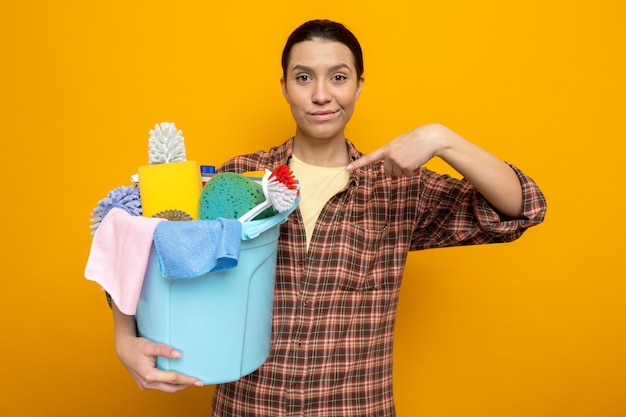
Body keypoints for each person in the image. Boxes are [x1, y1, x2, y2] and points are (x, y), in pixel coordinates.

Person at [111, 19, 546, 416]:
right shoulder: (238, 180)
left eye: (338, 77)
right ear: (284, 87)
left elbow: (523, 207)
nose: (322, 94)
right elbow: (147, 248)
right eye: (304, 78)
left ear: (359, 85)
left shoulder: (399, 187)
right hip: (248, 406)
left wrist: (441, 138)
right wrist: (124, 340)